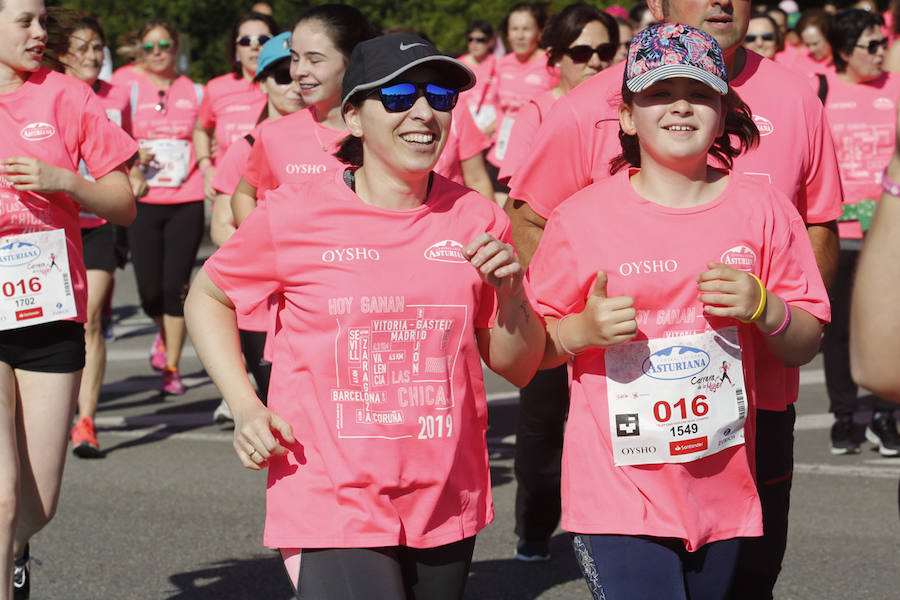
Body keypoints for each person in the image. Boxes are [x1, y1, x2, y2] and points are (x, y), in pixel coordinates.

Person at [185, 33, 544, 598]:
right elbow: (207, 295)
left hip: (445, 492)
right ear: (352, 116)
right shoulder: (295, 215)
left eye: (439, 98)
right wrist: (245, 406)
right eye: (400, 95)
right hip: (329, 492)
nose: (424, 112)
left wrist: (513, 293)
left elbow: (518, 367)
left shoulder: (478, 218)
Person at [504, 0, 842, 597]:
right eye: (660, 93)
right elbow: (533, 351)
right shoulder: (581, 219)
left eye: (700, 93)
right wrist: (580, 331)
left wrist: (767, 309)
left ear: (723, 113)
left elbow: (804, 342)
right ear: (628, 118)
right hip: (618, 494)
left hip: (722, 489)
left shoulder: (764, 212)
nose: (681, 104)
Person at [0, 0, 136, 595]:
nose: (39, 33)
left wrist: (65, 182)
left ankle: (15, 550)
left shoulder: (67, 96)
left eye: (41, 20)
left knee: (35, 506)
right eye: (22, 21)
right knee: (1, 497)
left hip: (49, 305)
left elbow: (122, 202)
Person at [44, 11, 140, 458]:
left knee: (91, 317)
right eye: (81, 47)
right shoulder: (44, 94)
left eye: (97, 48)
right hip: (51, 228)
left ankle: (86, 419)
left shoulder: (115, 96)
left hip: (99, 223)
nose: (91, 55)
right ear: (62, 52)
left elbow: (127, 153)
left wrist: (132, 179)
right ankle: (50, 407)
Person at [208, 31, 304, 422]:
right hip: (262, 309)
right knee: (279, 417)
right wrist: (274, 264)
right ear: (262, 83)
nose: (294, 84)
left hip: (321, 302)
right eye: (281, 75)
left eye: (300, 72)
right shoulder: (247, 145)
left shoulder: (342, 143)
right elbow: (220, 226)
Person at [817, 9, 900, 456]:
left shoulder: (896, 87)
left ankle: (888, 415)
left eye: (883, 42)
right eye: (871, 45)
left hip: (888, 232)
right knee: (843, 329)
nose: (881, 52)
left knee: (892, 323)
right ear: (846, 51)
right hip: (842, 230)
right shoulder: (823, 90)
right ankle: (845, 418)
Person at [230, 3, 377, 226]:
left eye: (314, 60)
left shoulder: (386, 128)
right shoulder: (274, 134)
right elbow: (242, 196)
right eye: (295, 58)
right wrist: (265, 248)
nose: (298, 72)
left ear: (352, 62)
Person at [128, 19, 205, 395]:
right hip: (143, 198)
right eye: (149, 47)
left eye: (164, 45)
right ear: (139, 51)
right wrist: (130, 159)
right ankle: (161, 332)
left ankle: (172, 367)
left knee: (176, 286)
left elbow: (207, 135)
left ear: (176, 47)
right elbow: (108, 130)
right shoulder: (126, 85)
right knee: (148, 292)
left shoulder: (196, 90)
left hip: (187, 196)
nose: (157, 52)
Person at [499, 4, 618, 187]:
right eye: (581, 53)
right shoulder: (536, 114)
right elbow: (517, 194)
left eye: (604, 52)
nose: (595, 62)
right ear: (555, 56)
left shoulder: (623, 112)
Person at [192, 11, 280, 202]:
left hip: (274, 197)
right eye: (246, 41)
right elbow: (200, 130)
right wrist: (206, 168)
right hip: (227, 197)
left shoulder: (290, 88)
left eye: (263, 39)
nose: (255, 47)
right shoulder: (216, 88)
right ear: (236, 50)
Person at [485, 3, 559, 175]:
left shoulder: (552, 64)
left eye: (526, 29)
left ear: (539, 33)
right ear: (507, 34)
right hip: (500, 155)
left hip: (535, 157)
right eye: (514, 29)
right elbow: (500, 110)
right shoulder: (502, 64)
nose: (520, 36)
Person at [458, 20, 499, 135]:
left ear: (490, 42)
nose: (474, 43)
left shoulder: (500, 65)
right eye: (470, 39)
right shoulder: (458, 66)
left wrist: (489, 130)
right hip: (464, 132)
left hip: (491, 134)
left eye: (480, 40)